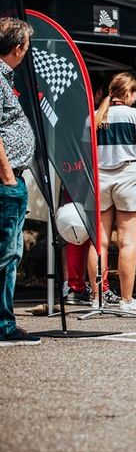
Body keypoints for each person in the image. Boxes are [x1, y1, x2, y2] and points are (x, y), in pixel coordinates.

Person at [87, 72, 136, 315]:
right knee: (127, 242)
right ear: (127, 93)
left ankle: (96, 299)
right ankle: (126, 301)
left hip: (100, 178)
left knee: (100, 242)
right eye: (135, 93)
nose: (135, 98)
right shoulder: (135, 115)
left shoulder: (94, 116)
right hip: (128, 177)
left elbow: (84, 148)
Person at [0, 18, 41, 346]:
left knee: (9, 251)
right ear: (17, 48)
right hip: (5, 179)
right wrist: (7, 174)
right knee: (6, 252)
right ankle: (3, 324)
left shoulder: (4, 77)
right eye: (26, 47)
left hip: (9, 177)